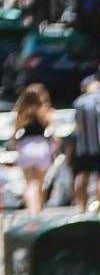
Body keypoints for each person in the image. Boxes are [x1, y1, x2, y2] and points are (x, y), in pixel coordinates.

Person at [64, 71, 100, 213]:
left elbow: (77, 126)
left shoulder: (79, 102)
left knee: (83, 176)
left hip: (83, 146)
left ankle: (82, 207)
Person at [7, 85, 48, 214]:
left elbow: (15, 133)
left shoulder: (22, 112)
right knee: (40, 183)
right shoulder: (44, 111)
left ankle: (33, 212)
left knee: (30, 184)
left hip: (26, 147)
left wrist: (14, 146)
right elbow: (55, 133)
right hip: (42, 147)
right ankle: (38, 211)